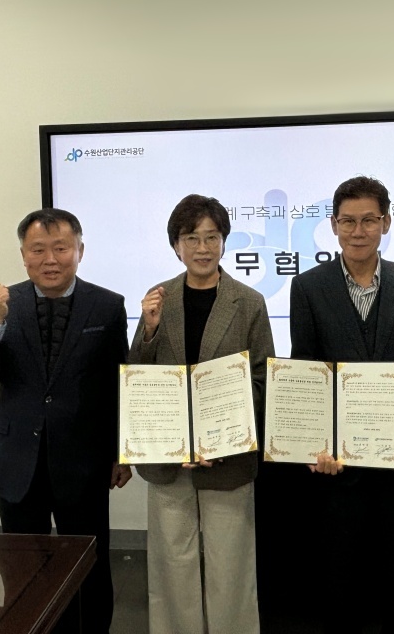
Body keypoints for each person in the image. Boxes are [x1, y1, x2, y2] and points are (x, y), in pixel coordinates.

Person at [284, 175, 394, 634]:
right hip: (339, 459)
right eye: (348, 221)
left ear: (386, 223)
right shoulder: (308, 286)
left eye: (369, 220)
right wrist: (314, 445)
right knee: (340, 572)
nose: (358, 231)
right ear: (333, 225)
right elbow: (307, 370)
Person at [0, 208, 130, 634]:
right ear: (24, 255)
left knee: (90, 568)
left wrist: (121, 452)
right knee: (22, 571)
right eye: (38, 250)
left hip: (84, 461)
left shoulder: (107, 306)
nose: (50, 259)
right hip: (17, 460)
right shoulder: (1, 306)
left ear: (80, 251)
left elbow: (118, 384)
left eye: (61, 248)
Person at [130, 194, 274, 634]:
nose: (203, 247)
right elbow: (137, 377)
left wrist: (221, 438)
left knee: (231, 565)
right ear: (176, 245)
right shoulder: (159, 299)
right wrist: (149, 328)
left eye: (212, 237)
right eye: (191, 238)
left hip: (228, 459)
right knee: (172, 563)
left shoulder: (248, 302)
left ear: (225, 241)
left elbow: (263, 379)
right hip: (168, 459)